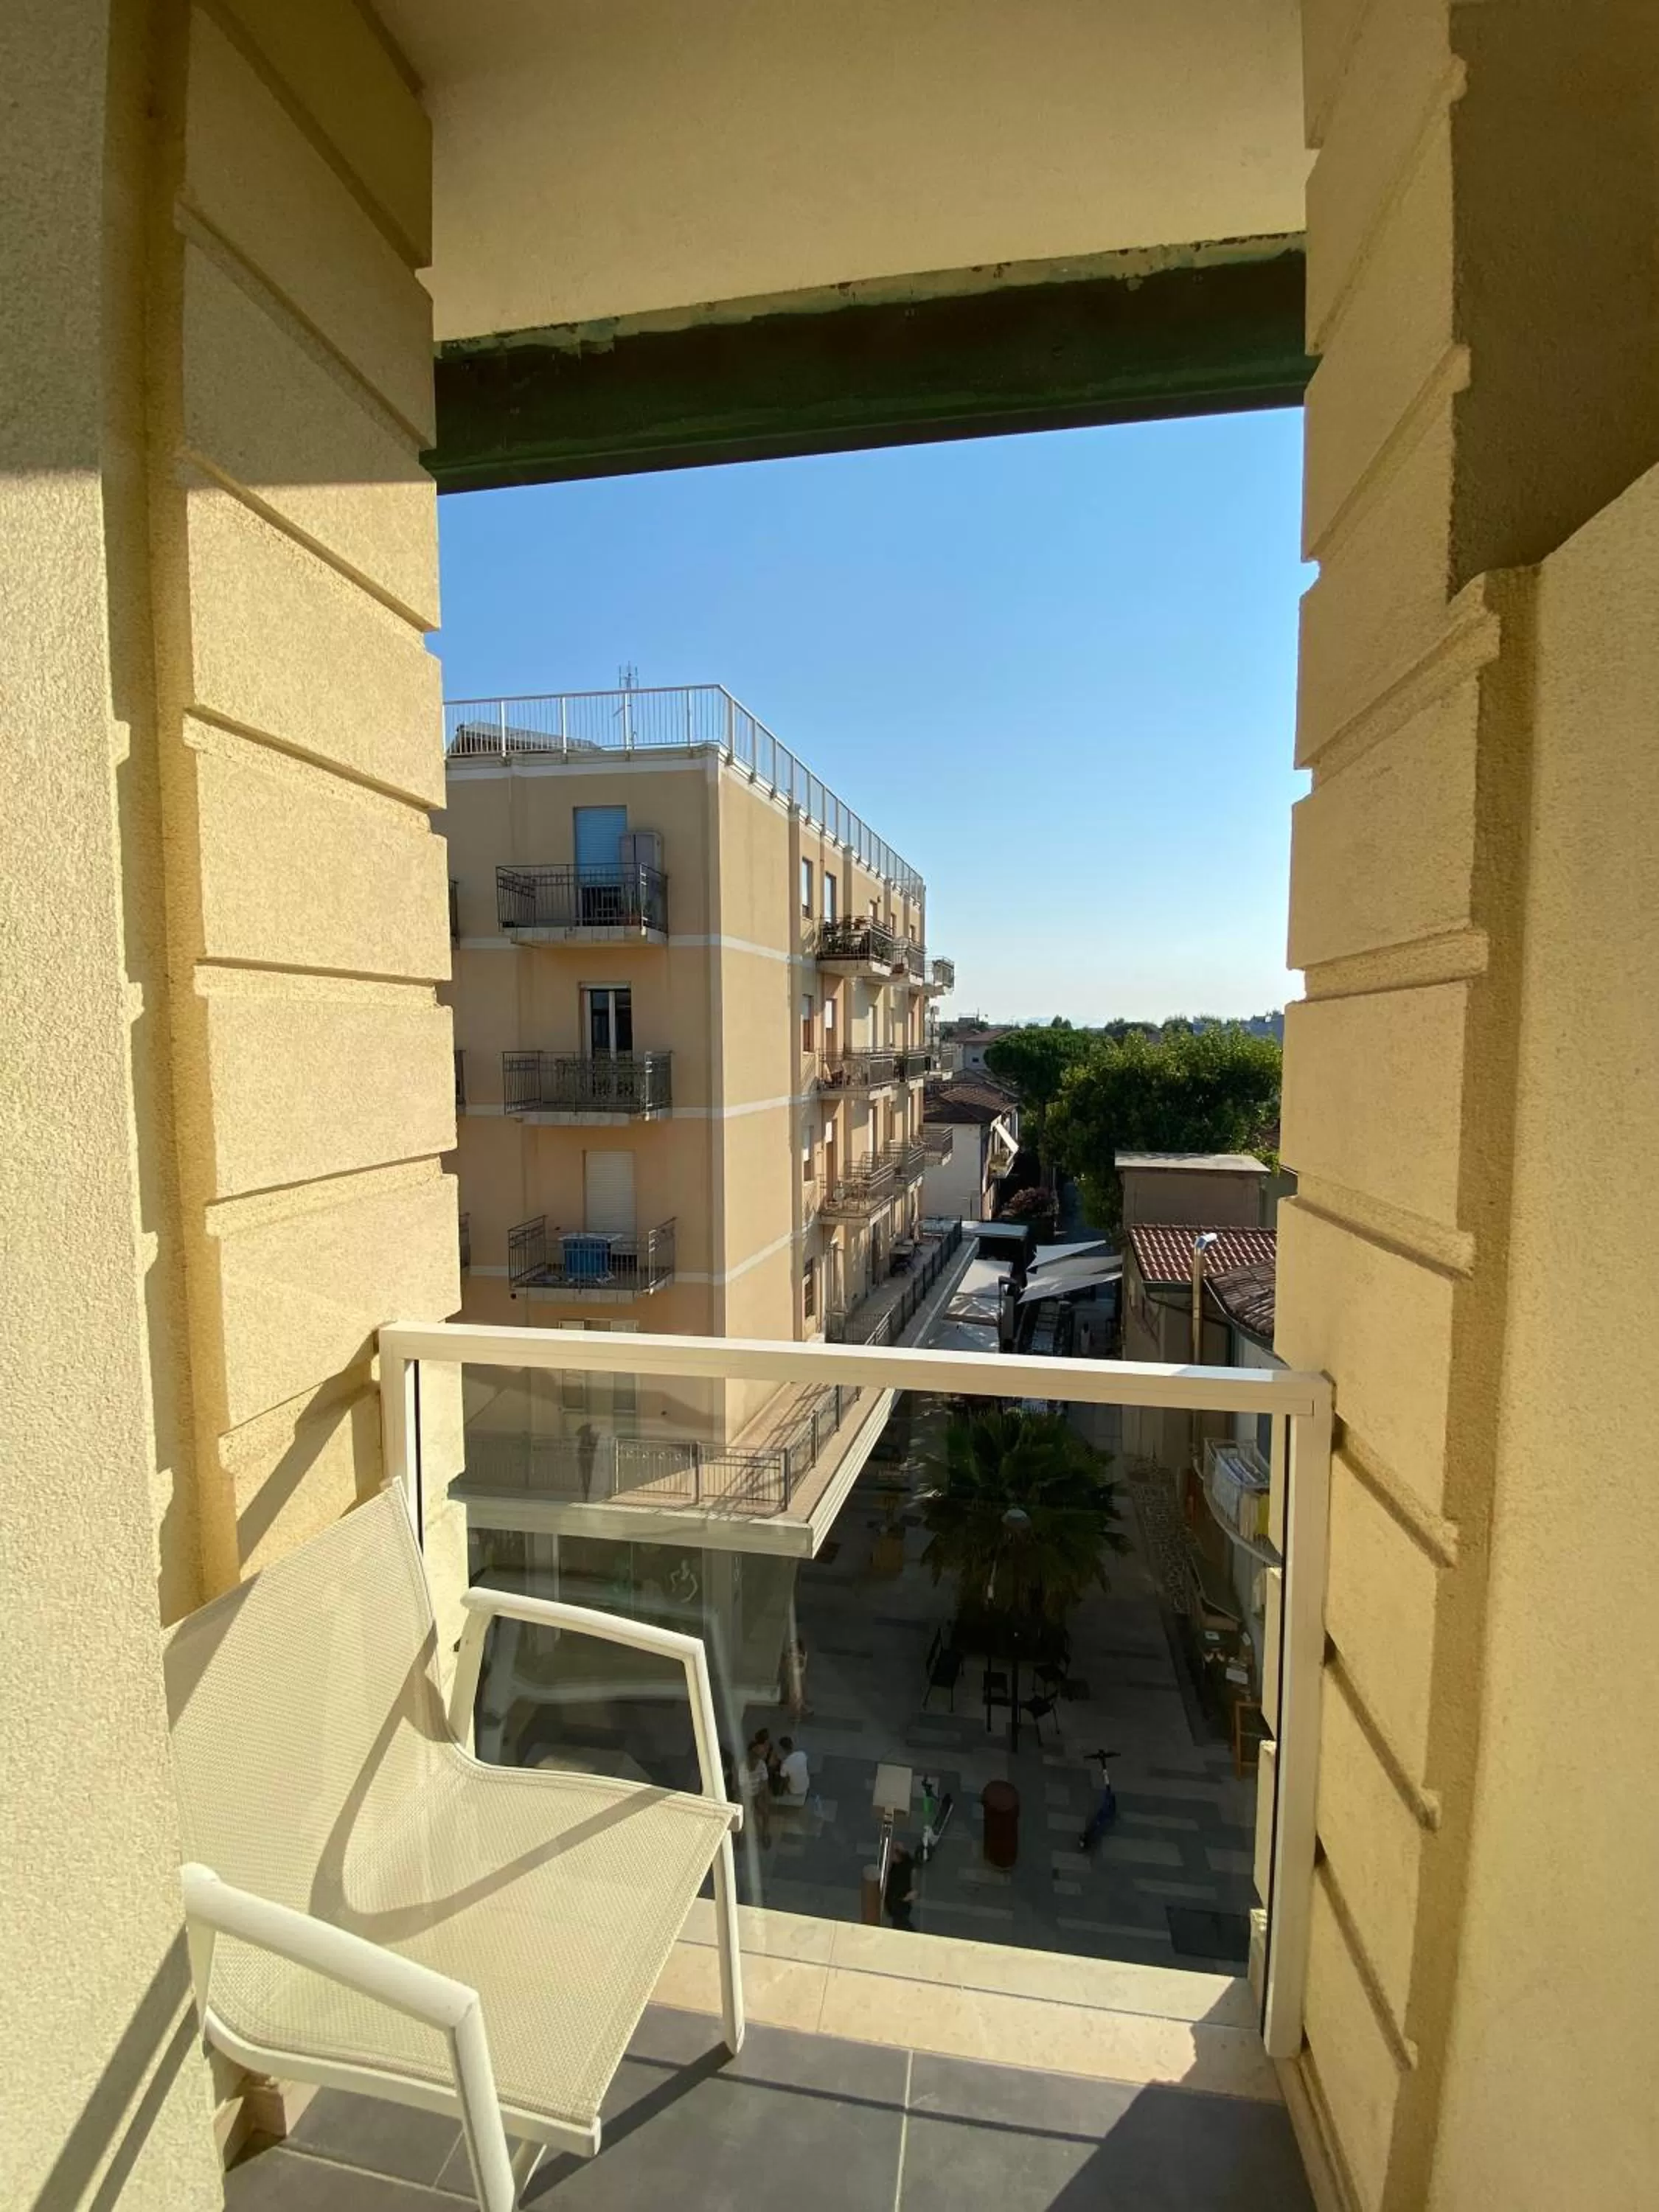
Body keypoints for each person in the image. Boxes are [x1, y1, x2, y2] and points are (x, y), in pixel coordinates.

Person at [1077, 1747, 1121, 1851]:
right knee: (1098, 1822)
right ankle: (1087, 1838)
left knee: (1098, 1821)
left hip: (1105, 1812)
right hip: (1105, 1812)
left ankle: (1087, 1838)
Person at [740, 1737, 772, 1848]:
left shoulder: (761, 1765)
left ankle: (765, 1834)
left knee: (765, 1814)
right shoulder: (743, 1768)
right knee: (745, 1815)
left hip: (758, 1794)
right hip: (747, 1795)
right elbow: (742, 1788)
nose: (756, 1761)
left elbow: (764, 1782)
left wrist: (763, 1796)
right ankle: (742, 1836)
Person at [883, 1843, 916, 1931]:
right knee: (901, 1922)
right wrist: (908, 1897)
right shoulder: (895, 1872)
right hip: (898, 1906)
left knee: (900, 1922)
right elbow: (894, 1895)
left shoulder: (899, 1867)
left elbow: (909, 1863)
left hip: (899, 1906)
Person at [777, 1736, 810, 1803]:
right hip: (806, 1785)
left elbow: (784, 1779)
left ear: (783, 1749)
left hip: (794, 1790)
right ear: (792, 1745)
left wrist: (787, 1789)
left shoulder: (785, 1764)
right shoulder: (802, 1754)